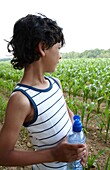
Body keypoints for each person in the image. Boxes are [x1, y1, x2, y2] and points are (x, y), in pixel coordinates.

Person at [0, 13, 88, 170]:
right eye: (58, 48)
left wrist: (80, 146)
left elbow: (70, 116)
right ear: (42, 48)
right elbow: (3, 155)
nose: (60, 56)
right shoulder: (22, 99)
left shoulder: (55, 84)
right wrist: (54, 155)